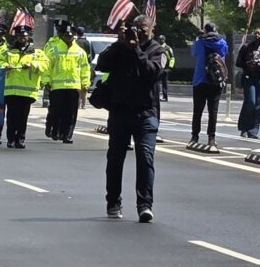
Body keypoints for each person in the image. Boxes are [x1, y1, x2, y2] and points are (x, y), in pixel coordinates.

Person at [98, 15, 168, 222]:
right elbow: (101, 64)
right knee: (115, 158)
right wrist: (119, 44)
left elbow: (153, 72)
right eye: (135, 29)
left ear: (152, 30)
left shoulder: (158, 50)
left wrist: (137, 49)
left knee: (145, 157)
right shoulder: (120, 48)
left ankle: (145, 205)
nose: (138, 32)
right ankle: (113, 202)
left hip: (146, 113)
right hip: (120, 111)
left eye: (143, 29)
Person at [0, 23, 48, 149]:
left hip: (27, 91)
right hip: (11, 89)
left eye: (24, 36)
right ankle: (10, 139)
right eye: (19, 36)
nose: (21, 38)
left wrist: (33, 65)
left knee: (23, 117)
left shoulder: (37, 52)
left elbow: (45, 65)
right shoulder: (8, 50)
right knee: (11, 116)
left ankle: (20, 139)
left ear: (28, 36)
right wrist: (5, 66)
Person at [43, 24, 91, 144]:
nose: (69, 37)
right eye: (66, 35)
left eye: (71, 35)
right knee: (56, 111)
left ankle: (67, 135)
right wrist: (46, 81)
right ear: (61, 36)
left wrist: (85, 82)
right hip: (57, 87)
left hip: (74, 87)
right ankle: (55, 131)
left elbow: (85, 68)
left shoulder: (80, 52)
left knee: (71, 114)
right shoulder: (54, 50)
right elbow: (47, 67)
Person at [189, 22, 230, 151]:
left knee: (198, 110)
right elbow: (225, 54)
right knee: (213, 111)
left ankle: (195, 136)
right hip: (216, 81)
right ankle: (211, 138)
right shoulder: (222, 43)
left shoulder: (200, 42)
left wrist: (198, 38)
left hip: (200, 79)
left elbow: (193, 54)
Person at [236, 29, 260, 138]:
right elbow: (238, 63)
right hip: (248, 76)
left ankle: (253, 130)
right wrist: (248, 64)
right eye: (255, 33)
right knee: (250, 101)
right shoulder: (247, 47)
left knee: (258, 104)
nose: (257, 35)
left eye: (259, 33)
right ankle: (244, 127)